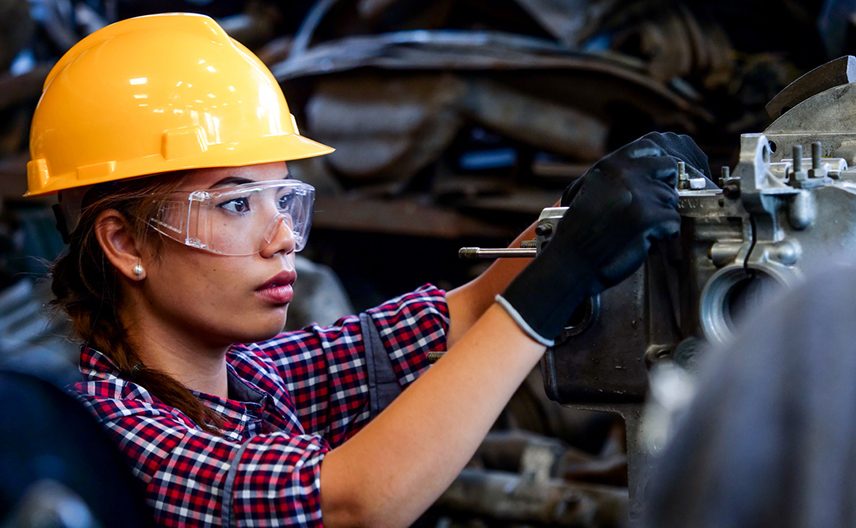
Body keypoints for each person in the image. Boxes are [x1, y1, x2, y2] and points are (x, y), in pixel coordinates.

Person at [25, 12, 703, 527]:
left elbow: (462, 314)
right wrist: (563, 279)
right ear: (126, 244)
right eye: (236, 204)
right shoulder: (121, 435)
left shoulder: (253, 379)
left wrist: (583, 206)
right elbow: (355, 502)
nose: (285, 237)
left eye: (285, 199)